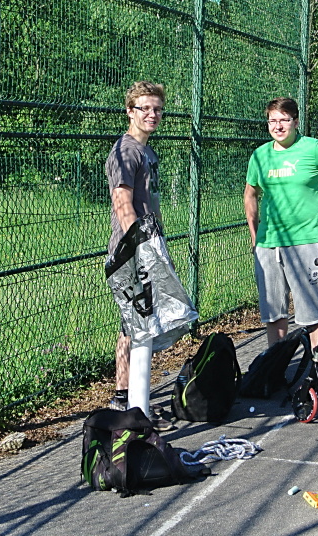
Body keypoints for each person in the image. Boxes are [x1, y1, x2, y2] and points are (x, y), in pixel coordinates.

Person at [244, 97, 318, 390]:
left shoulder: (314, 149)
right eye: (273, 120)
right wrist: (255, 236)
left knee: (311, 314)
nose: (278, 126)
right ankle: (275, 372)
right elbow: (250, 194)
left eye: (284, 120)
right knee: (274, 314)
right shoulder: (260, 155)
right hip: (269, 244)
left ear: (296, 122)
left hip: (305, 242)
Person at [105, 80, 173, 431]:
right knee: (134, 321)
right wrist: (141, 246)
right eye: (144, 108)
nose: (152, 114)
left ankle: (131, 397)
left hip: (150, 243)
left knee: (136, 323)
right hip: (132, 250)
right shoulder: (126, 151)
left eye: (157, 109)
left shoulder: (148, 152)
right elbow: (122, 202)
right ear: (130, 111)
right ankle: (127, 401)